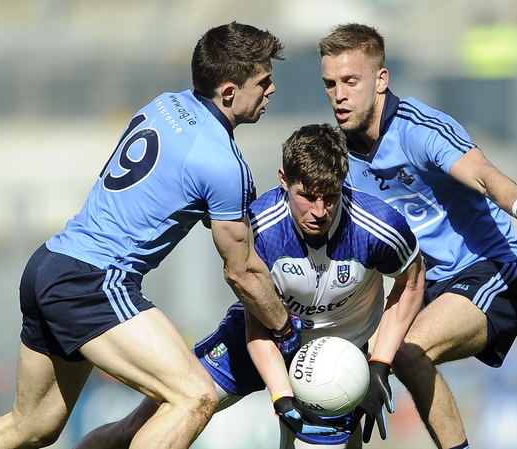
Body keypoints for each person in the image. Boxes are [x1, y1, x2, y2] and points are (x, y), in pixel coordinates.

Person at [0, 22, 303, 449]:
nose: (272, 90)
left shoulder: (165, 104)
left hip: (50, 263)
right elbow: (241, 273)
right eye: (263, 81)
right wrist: (285, 327)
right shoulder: (222, 162)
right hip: (93, 281)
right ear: (229, 92)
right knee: (194, 397)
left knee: (30, 427)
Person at [72, 123, 425, 449]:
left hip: (336, 358)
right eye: (307, 196)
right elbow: (259, 319)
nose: (320, 210)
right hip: (258, 339)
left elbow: (410, 284)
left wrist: (378, 363)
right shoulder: (259, 227)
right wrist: (281, 395)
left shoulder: (379, 227)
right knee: (138, 427)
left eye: (330, 197)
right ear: (284, 179)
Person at [318, 23, 517, 449]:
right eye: (330, 84)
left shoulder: (419, 128)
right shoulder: (338, 156)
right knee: (341, 374)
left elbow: (484, 174)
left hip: (491, 271)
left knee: (408, 350)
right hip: (420, 288)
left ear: (381, 80)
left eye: (350, 81)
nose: (339, 94)